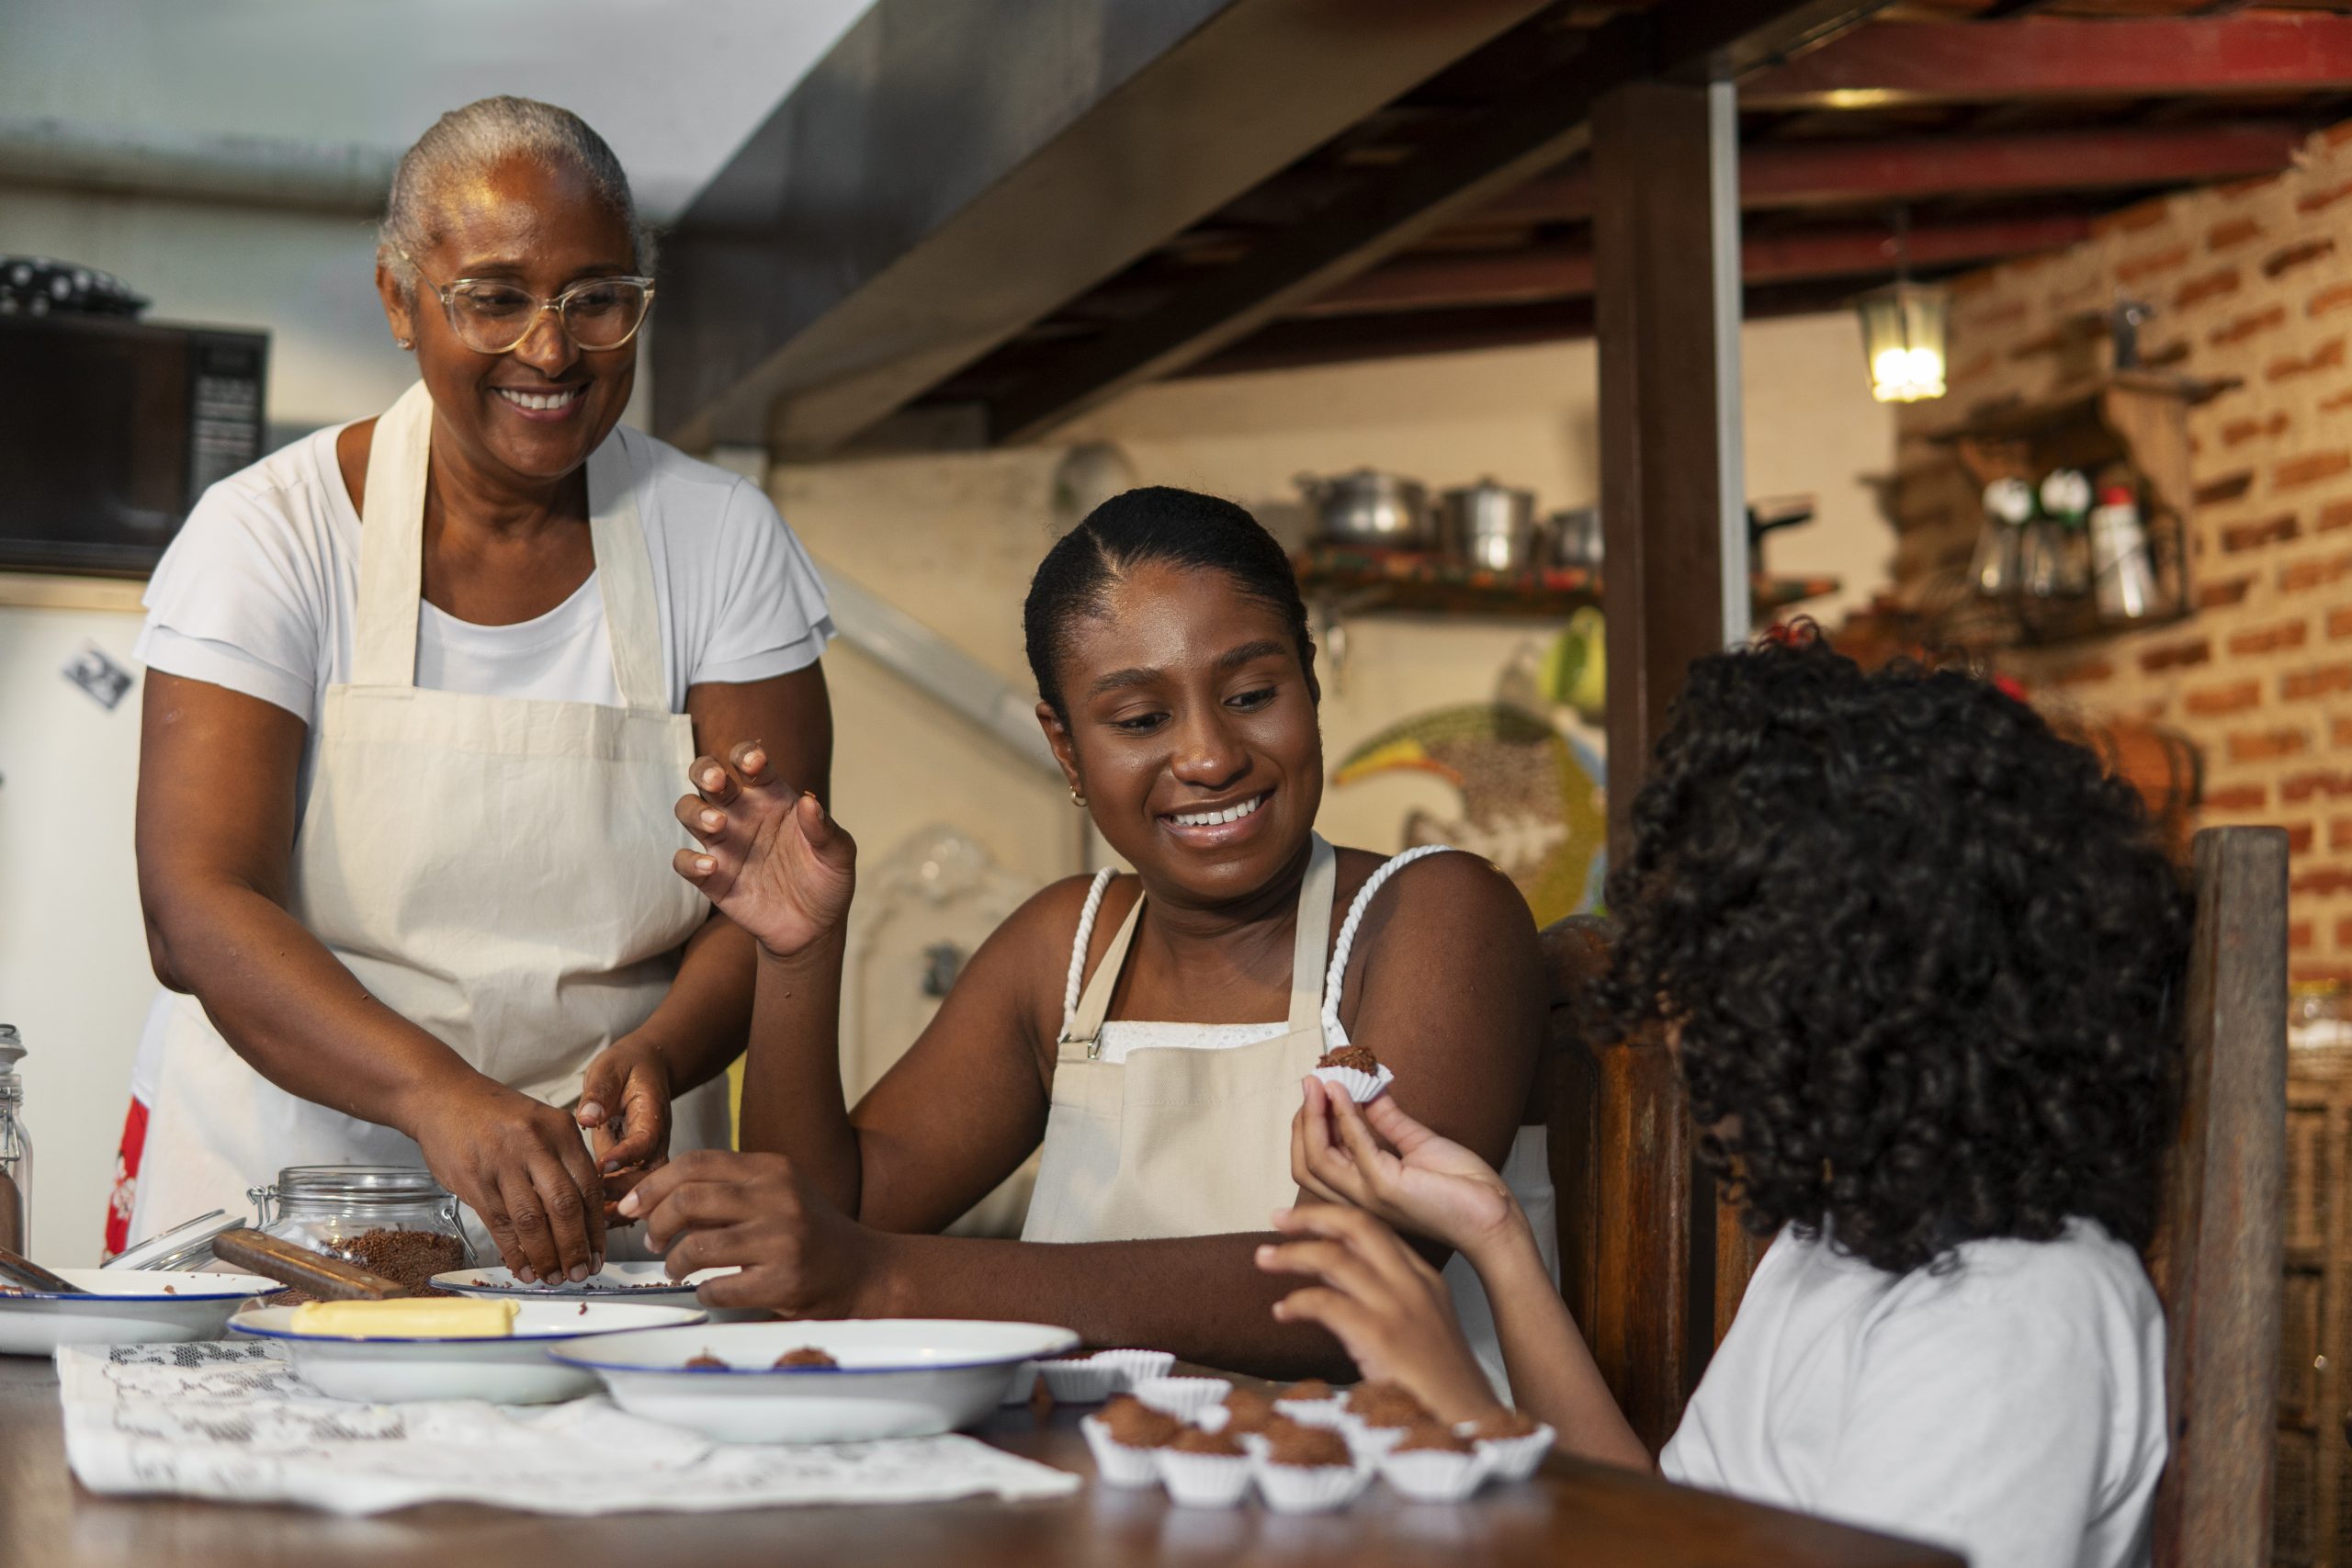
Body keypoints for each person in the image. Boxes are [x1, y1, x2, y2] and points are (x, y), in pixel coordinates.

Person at [1259, 630, 2186, 1568]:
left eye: (1723, 979)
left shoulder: (2015, 1318)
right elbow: (1662, 1529)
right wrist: (1491, 1235)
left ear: (1886, 995)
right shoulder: (1843, 1237)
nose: (1675, 1028)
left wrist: (1462, 1407)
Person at [121, 97, 834, 1282]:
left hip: (610, 1210)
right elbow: (194, 905)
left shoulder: (722, 541)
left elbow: (771, 899)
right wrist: (438, 1094)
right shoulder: (270, 535)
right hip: (291, 1202)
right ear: (402, 301)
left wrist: (659, 1051)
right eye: (494, 297)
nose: (550, 352)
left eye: (596, 299)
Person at [620, 487, 1552, 1380]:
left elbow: (1339, 1287)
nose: (1209, 757)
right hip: (1118, 1502)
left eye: (1252, 695)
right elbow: (827, 1219)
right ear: (1066, 749)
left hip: (1404, 1509)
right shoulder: (1064, 951)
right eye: (1142, 719)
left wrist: (883, 1276)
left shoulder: (1434, 917)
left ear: (1308, 686)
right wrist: (797, 953)